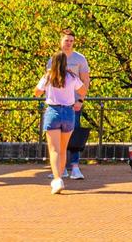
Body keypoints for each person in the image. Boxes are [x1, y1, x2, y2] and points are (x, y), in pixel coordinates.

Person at [32, 51, 84, 195]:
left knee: (53, 149)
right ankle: (60, 176)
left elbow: (36, 92)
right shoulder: (71, 77)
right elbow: (82, 88)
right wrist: (78, 100)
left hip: (53, 111)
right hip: (68, 112)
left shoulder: (48, 76)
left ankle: (57, 179)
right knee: (63, 148)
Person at [59, 28, 90, 180]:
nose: (69, 43)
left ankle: (75, 167)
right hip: (58, 104)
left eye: (71, 41)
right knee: (58, 136)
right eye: (66, 40)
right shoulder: (54, 59)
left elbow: (85, 80)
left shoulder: (79, 59)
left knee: (75, 133)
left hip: (73, 103)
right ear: (61, 41)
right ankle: (61, 167)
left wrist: (80, 100)